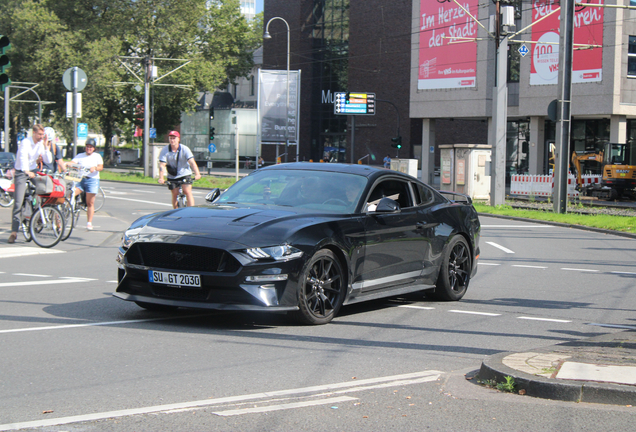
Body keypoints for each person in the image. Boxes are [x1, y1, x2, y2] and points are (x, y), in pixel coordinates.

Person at [8, 124, 53, 243]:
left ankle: (37, 212)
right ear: (33, 133)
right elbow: (22, 158)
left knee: (45, 186)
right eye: (39, 134)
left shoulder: (40, 144)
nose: (41, 137)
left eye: (42, 135)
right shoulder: (25, 142)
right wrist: (26, 171)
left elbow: (48, 160)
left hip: (33, 170)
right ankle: (13, 232)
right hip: (21, 171)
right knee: (18, 201)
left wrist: (46, 146)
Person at [158, 131, 202, 208]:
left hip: (185, 173)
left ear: (178, 139)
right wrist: (161, 177)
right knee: (175, 194)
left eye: (174, 138)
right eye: (170, 138)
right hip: (172, 175)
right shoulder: (165, 150)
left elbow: (192, 162)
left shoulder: (185, 149)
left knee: (187, 191)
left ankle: (191, 210)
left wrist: (197, 174)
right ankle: (175, 211)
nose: (172, 140)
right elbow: (162, 165)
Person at [67, 138, 103, 230]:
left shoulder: (97, 156)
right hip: (80, 179)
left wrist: (94, 168)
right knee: (71, 195)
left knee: (90, 202)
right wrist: (69, 164)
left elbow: (100, 167)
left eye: (91, 147)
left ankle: (89, 222)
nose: (89, 148)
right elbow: (72, 162)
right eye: (87, 147)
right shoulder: (80, 156)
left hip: (92, 179)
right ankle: (66, 211)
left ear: (94, 148)